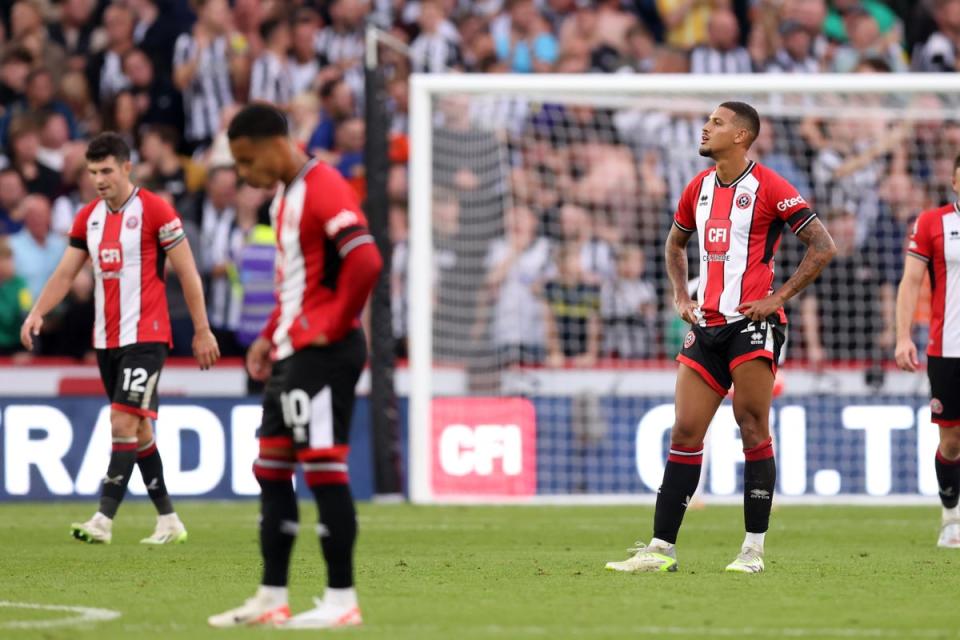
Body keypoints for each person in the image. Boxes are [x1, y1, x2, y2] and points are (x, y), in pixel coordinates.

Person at [605, 102, 836, 574]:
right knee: (686, 431)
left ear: (742, 136)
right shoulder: (698, 187)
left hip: (752, 324)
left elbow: (823, 245)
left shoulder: (770, 187)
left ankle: (752, 551)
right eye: (707, 120)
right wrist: (678, 295)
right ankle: (659, 549)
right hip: (705, 326)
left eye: (717, 122)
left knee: (752, 428)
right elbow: (675, 244)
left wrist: (779, 297)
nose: (705, 127)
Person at [208, 104, 382, 629]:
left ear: (272, 145)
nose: (242, 173)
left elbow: (366, 259)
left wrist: (332, 323)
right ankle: (271, 596)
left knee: (324, 467)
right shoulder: (284, 197)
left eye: (244, 160)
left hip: (325, 355)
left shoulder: (322, 185)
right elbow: (296, 285)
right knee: (270, 468)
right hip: (291, 352)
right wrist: (268, 337)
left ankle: (341, 599)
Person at [19, 132, 220, 544]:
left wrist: (201, 329)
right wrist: (37, 312)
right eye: (93, 172)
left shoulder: (156, 210)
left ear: (127, 168)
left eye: (107, 170)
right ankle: (169, 520)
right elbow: (65, 273)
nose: (99, 179)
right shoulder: (88, 217)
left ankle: (103, 518)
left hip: (147, 336)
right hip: (107, 340)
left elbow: (187, 272)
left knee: (122, 420)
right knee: (139, 432)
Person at [894, 151, 960, 548]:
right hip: (947, 349)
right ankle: (951, 516)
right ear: (954, 182)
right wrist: (903, 336)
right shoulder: (933, 223)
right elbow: (910, 282)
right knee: (951, 442)